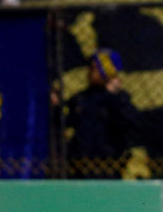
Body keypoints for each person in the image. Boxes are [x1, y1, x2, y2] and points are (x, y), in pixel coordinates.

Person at [59, 48, 145, 178]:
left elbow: (131, 124)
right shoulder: (81, 98)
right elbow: (65, 122)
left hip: (110, 165)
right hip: (81, 165)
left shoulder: (120, 98)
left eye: (95, 68)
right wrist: (56, 107)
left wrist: (114, 96)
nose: (90, 72)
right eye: (90, 68)